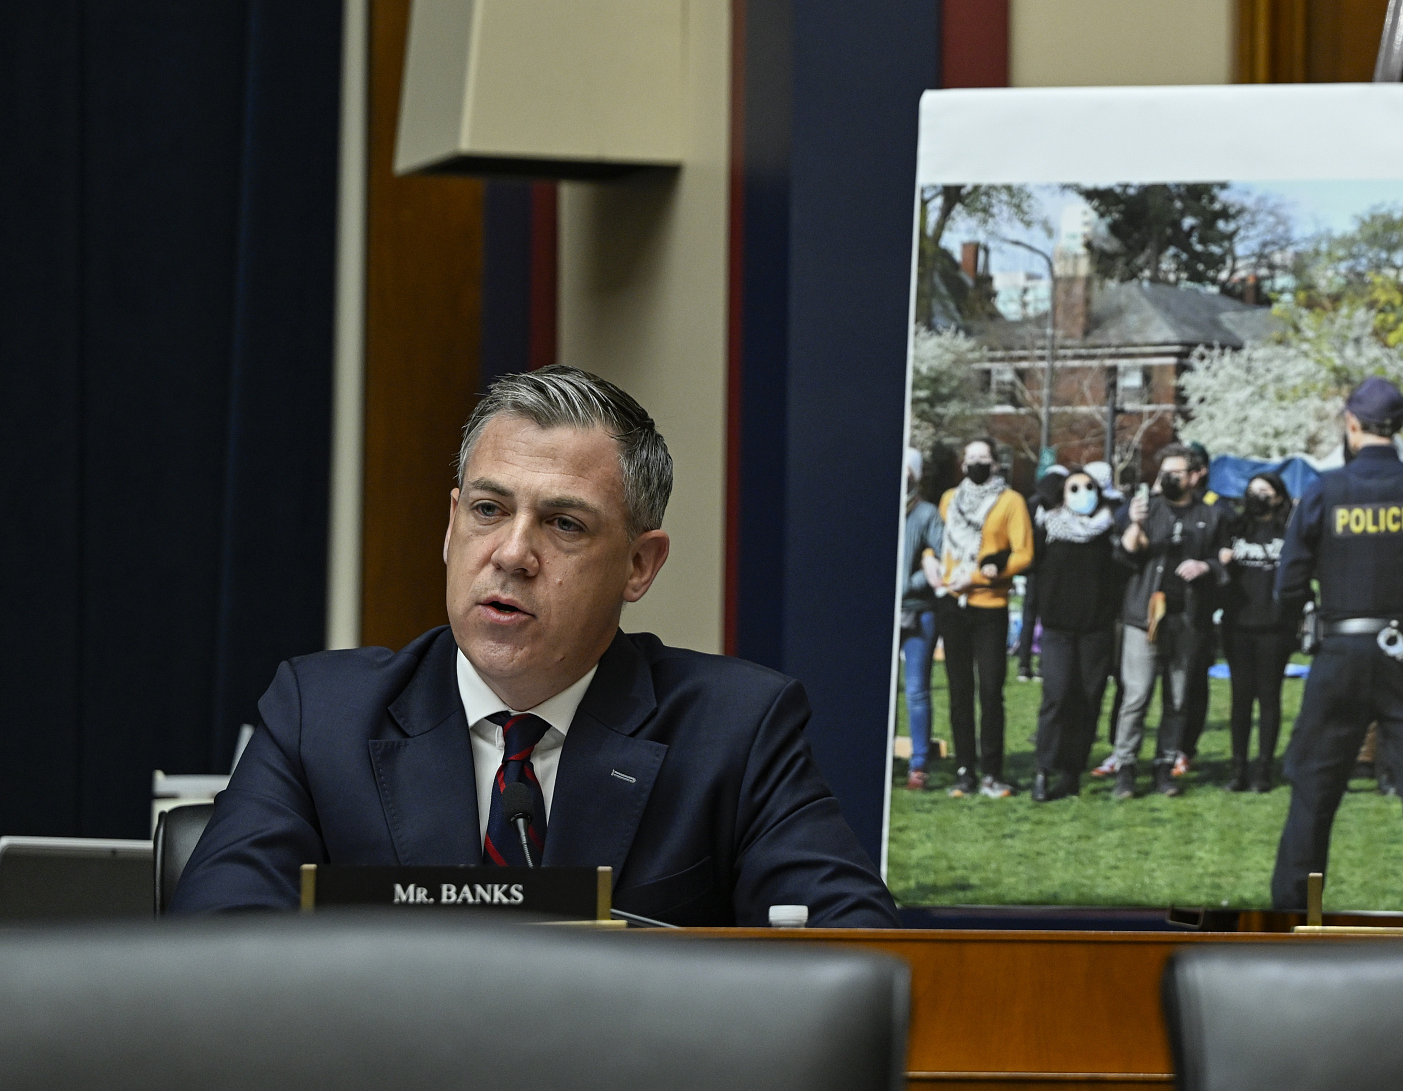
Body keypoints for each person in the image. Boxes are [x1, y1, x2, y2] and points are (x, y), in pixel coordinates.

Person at [171, 365, 897, 924]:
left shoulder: (737, 730)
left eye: (564, 525)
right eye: (488, 510)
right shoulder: (318, 716)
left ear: (640, 564)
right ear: (452, 525)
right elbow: (216, 945)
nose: (512, 553)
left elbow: (858, 951)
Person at [1270, 378, 1403, 914]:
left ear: (1351, 423)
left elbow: (1288, 583)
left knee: (1314, 786)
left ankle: (1296, 906)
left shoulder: (1324, 490)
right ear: (1400, 427)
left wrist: (1309, 622)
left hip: (1339, 652)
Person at [1107, 445, 1224, 799]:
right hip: (1143, 617)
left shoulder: (1210, 515)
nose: (1170, 479)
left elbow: (1222, 560)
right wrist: (1137, 522)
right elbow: (1127, 552)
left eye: (1177, 473)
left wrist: (1206, 567)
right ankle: (1125, 766)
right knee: (1137, 695)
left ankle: (1165, 765)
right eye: (1165, 474)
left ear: (1193, 476)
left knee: (1177, 699)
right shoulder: (1146, 508)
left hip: (1186, 618)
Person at [931, 438, 1035, 799]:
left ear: (995, 463)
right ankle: (964, 771)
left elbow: (1024, 554)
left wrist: (977, 576)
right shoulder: (948, 500)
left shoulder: (1011, 502)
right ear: (963, 464)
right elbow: (937, 542)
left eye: (984, 458)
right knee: (960, 694)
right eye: (971, 458)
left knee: (991, 692)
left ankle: (992, 771)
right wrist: (931, 564)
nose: (977, 464)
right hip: (952, 605)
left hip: (990, 606)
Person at [1027, 469, 1122, 801]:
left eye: (1089, 487)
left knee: (1088, 700)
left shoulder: (1107, 530)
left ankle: (1072, 771)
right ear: (1063, 495)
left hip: (1096, 631)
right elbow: (1031, 568)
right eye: (1075, 488)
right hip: (1058, 630)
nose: (1083, 493)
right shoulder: (1048, 527)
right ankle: (1044, 767)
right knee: (1056, 696)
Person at [1217, 471, 1294, 792]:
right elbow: (1216, 563)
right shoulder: (1234, 528)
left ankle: (1263, 767)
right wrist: (1222, 560)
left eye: (1263, 491)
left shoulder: (1289, 531)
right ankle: (1238, 767)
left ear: (1277, 497)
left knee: (1269, 697)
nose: (1256, 497)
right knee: (1240, 698)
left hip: (1275, 626)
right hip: (1238, 624)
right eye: (1252, 491)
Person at [1176, 443, 1226, 776]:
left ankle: (1184, 747)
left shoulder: (1216, 508)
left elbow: (1224, 555)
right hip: (1163, 605)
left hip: (1198, 609)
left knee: (1192, 681)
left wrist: (1209, 565)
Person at [897, 448, 946, 790]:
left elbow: (944, 556)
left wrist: (909, 582)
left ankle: (918, 764)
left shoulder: (927, 513)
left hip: (919, 612)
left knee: (916, 690)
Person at [1013, 467, 1069, 682]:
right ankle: (1032, 665)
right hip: (1041, 569)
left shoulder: (1034, 504)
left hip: (1039, 570)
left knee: (1034, 617)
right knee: (1038, 618)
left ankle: (1028, 665)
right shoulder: (1041, 506)